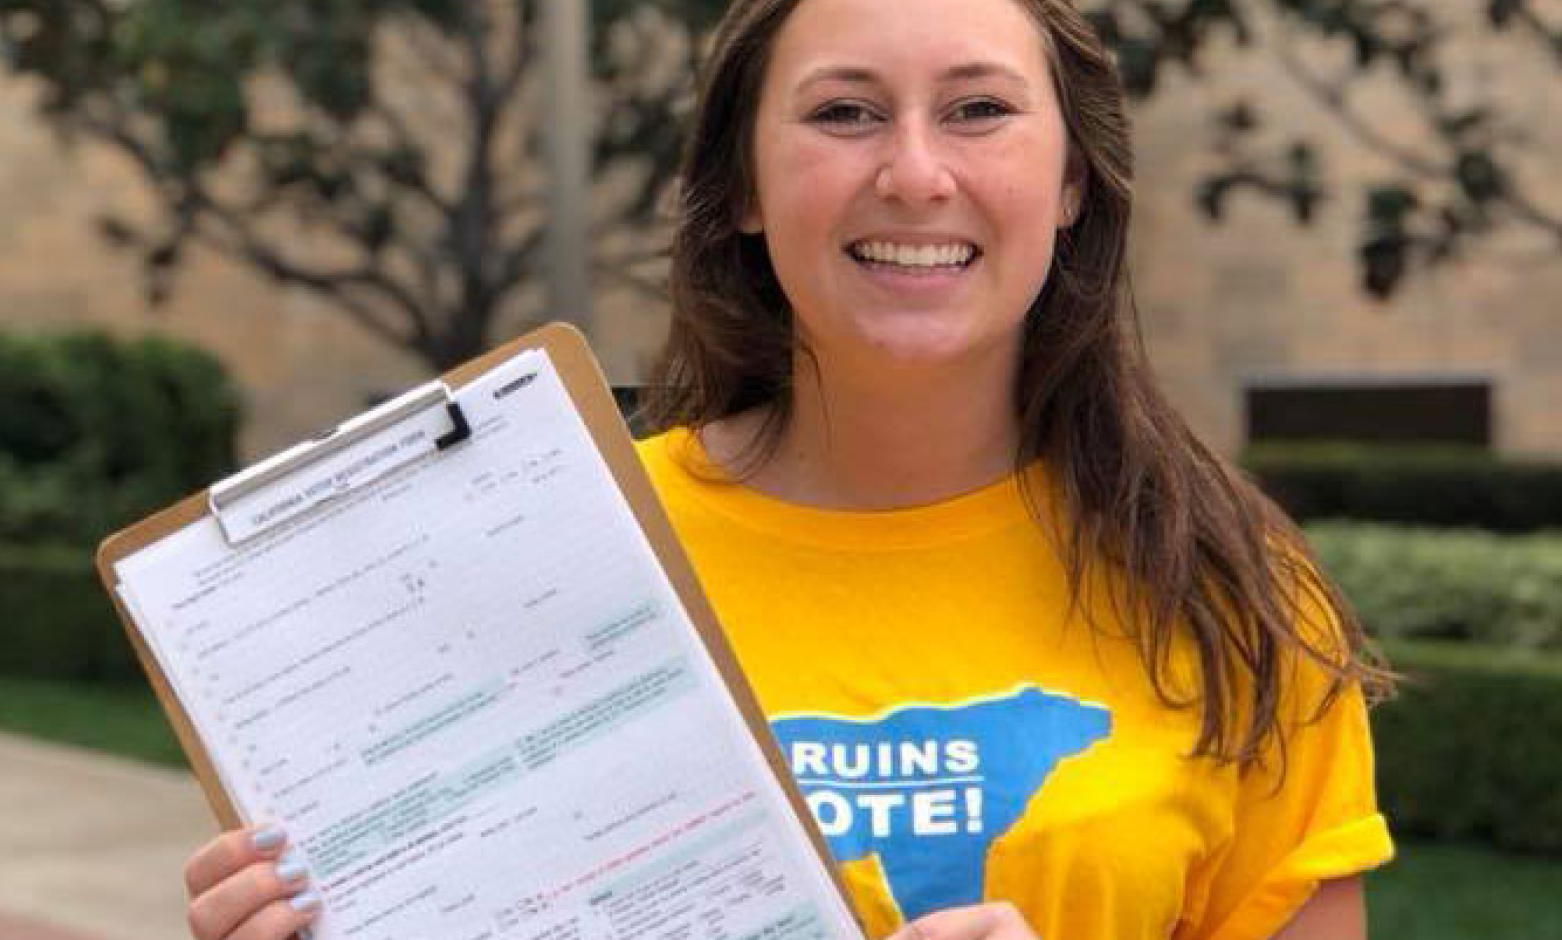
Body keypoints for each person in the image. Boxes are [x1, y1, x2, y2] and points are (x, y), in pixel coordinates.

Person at [180, 0, 1396, 938]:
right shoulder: (557, 546)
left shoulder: (1230, 591)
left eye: (979, 110)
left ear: (1072, 181)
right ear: (745, 190)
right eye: (844, 113)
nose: (915, 173)